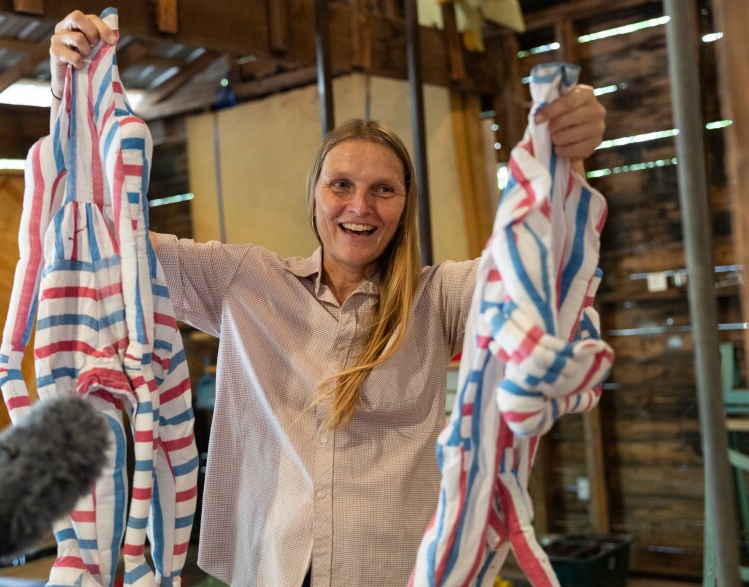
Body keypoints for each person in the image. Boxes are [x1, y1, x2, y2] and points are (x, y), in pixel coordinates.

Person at [48, 11, 606, 587]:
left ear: (404, 205)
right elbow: (109, 242)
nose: (359, 207)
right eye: (341, 185)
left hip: (393, 571)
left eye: (382, 190)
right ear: (314, 196)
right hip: (266, 569)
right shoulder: (246, 280)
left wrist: (566, 155)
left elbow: (537, 277)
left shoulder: (440, 297)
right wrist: (70, 86)